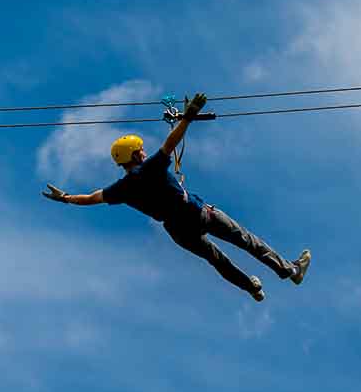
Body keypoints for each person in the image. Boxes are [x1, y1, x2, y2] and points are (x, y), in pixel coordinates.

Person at [42, 92, 310, 302]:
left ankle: (251, 288)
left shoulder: (121, 188)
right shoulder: (149, 169)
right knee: (246, 241)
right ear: (134, 155)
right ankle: (289, 271)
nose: (144, 152)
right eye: (140, 150)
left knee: (217, 260)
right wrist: (189, 116)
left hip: (178, 231)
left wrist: (65, 197)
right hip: (197, 213)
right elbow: (169, 144)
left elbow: (91, 198)